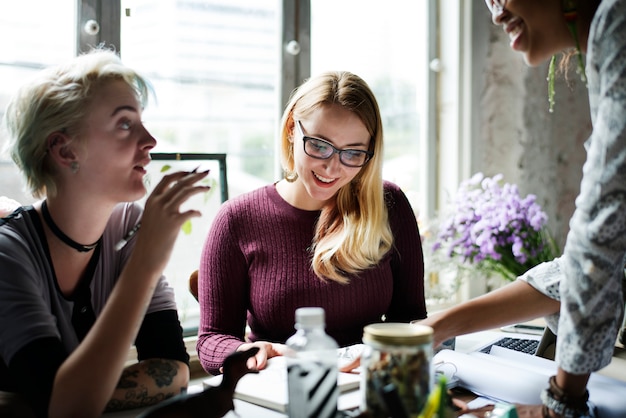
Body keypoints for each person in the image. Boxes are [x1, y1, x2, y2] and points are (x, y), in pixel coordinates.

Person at [420, 1, 626, 417]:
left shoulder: (616, 24)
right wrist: (436, 327)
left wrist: (559, 403)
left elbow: (600, 239)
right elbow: (581, 265)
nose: (494, 13)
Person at [0, 48, 210, 417]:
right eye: (125, 124)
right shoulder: (8, 254)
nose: (150, 141)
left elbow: (173, 370)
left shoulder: (129, 224)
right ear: (65, 151)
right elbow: (65, 410)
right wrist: (146, 261)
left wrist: (72, 394)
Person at [196, 71, 426, 375]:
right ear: (292, 128)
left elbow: (410, 321)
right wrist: (247, 352)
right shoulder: (237, 219)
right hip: (283, 388)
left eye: (353, 153)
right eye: (319, 145)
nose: (332, 167)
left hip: (367, 388)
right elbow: (211, 340)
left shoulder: (389, 205)